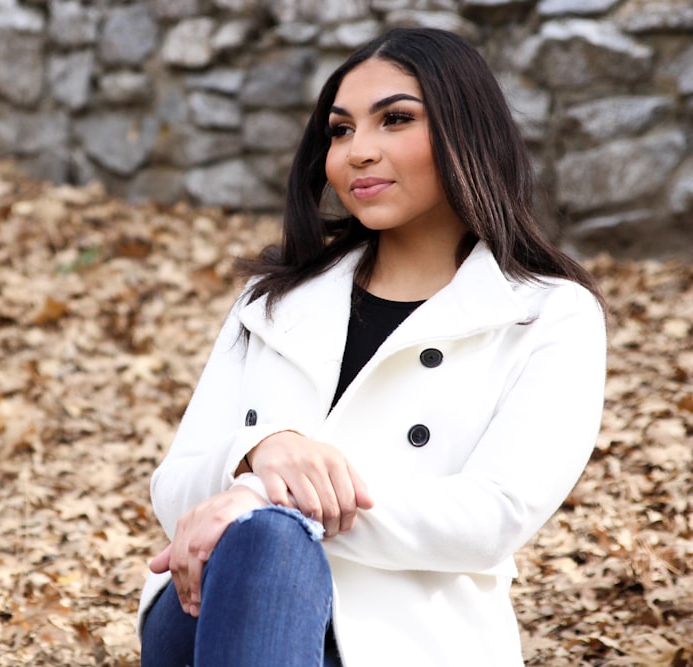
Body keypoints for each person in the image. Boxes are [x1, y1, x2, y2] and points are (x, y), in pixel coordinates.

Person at [138, 27, 606, 667]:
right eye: (339, 130)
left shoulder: (545, 314)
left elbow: (492, 517)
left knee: (272, 532)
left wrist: (263, 496)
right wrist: (258, 451)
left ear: (468, 131)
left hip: (408, 636)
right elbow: (173, 490)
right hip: (207, 606)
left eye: (395, 120)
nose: (358, 151)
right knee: (266, 546)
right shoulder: (272, 302)